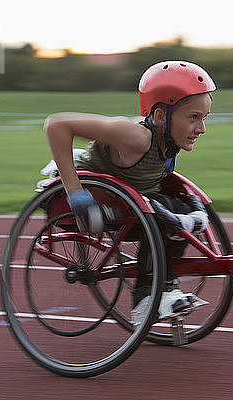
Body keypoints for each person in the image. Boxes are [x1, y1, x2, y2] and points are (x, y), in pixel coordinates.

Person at [43, 60, 215, 324]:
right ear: (160, 116)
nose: (201, 129)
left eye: (203, 118)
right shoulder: (137, 137)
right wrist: (75, 192)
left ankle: (165, 287)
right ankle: (145, 297)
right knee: (159, 219)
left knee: (180, 212)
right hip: (97, 198)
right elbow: (56, 125)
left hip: (136, 204)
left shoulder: (168, 140)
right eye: (193, 118)